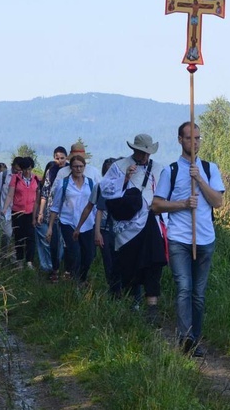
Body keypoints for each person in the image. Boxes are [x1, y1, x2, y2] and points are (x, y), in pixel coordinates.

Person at [152, 122, 225, 357]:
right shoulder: (170, 171)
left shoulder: (210, 169)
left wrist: (200, 180)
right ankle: (185, 340)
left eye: (198, 138)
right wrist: (183, 204)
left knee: (199, 294)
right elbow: (156, 205)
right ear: (180, 140)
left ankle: (195, 338)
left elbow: (218, 202)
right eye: (189, 138)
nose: (194, 142)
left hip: (205, 239)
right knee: (184, 287)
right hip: (180, 238)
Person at [100, 133, 165, 323]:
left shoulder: (159, 169)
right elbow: (104, 189)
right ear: (134, 150)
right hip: (127, 229)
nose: (144, 157)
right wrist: (125, 179)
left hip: (152, 222)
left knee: (154, 262)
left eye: (147, 153)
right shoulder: (119, 167)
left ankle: (152, 308)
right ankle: (132, 303)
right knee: (130, 266)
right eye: (141, 152)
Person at [73, 156, 123, 295]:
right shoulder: (99, 187)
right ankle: (115, 292)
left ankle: (120, 290)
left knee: (121, 261)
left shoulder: (126, 186)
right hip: (105, 229)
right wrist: (81, 228)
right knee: (109, 262)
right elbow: (90, 208)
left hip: (122, 229)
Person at [47, 154, 96, 283]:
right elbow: (55, 206)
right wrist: (51, 227)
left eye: (81, 166)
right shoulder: (64, 184)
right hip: (68, 223)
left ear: (84, 167)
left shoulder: (91, 183)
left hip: (88, 224)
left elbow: (95, 206)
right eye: (75, 166)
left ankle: (82, 278)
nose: (78, 169)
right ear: (71, 168)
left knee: (89, 256)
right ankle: (75, 282)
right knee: (75, 254)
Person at [37, 146, 69, 281]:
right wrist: (40, 212)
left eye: (62, 158)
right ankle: (55, 269)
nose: (60, 161)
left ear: (66, 158)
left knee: (67, 241)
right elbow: (45, 193)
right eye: (57, 158)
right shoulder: (51, 171)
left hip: (68, 211)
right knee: (54, 241)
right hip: (52, 211)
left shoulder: (70, 170)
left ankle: (67, 270)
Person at [2, 156, 39, 268]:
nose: (27, 171)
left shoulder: (36, 179)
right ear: (21, 169)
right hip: (17, 211)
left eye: (29, 169)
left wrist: (36, 215)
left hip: (30, 212)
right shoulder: (16, 178)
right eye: (25, 169)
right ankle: (19, 260)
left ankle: (29, 261)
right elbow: (10, 194)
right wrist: (5, 208)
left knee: (30, 237)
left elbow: (37, 198)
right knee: (18, 236)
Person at [34, 160, 57, 272]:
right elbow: (37, 201)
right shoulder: (41, 185)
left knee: (55, 245)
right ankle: (47, 266)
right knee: (45, 242)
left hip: (55, 218)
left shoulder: (60, 184)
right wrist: (37, 214)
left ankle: (52, 265)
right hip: (42, 217)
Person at [0, 158, 17, 257]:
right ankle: (4, 255)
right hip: (4, 211)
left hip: (17, 210)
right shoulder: (3, 175)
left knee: (15, 235)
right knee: (7, 234)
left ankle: (14, 258)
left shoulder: (22, 176)